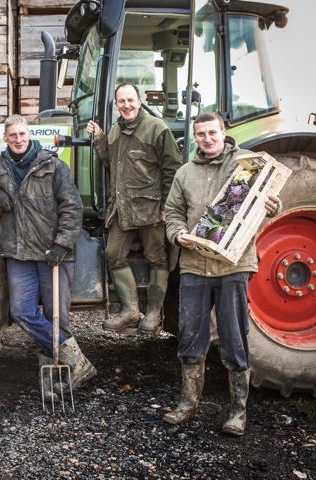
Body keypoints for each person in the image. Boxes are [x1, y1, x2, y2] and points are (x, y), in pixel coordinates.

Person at [162, 112, 282, 436]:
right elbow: (172, 212)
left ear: (223, 132)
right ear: (196, 137)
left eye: (212, 132)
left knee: (234, 338)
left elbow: (271, 201)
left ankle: (237, 413)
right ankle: (188, 404)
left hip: (233, 265)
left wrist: (272, 205)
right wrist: (178, 234)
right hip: (193, 266)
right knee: (190, 336)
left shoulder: (246, 166)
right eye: (200, 134)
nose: (207, 139)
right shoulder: (185, 173)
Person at [0, 114, 96, 400]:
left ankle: (55, 382)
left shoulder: (53, 165)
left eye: (22, 134)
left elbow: (72, 207)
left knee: (56, 316)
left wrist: (62, 244)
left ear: (29, 135)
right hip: (18, 251)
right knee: (21, 311)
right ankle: (77, 362)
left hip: (51, 252)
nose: (18, 140)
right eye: (13, 136)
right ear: (5, 137)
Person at [87, 82, 182, 334]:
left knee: (157, 258)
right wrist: (98, 138)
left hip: (150, 209)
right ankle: (130, 311)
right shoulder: (116, 129)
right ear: (116, 105)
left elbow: (172, 169)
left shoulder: (156, 128)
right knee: (113, 254)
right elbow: (109, 161)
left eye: (131, 100)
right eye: (121, 101)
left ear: (139, 102)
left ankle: (152, 314)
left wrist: (166, 206)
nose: (126, 105)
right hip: (122, 208)